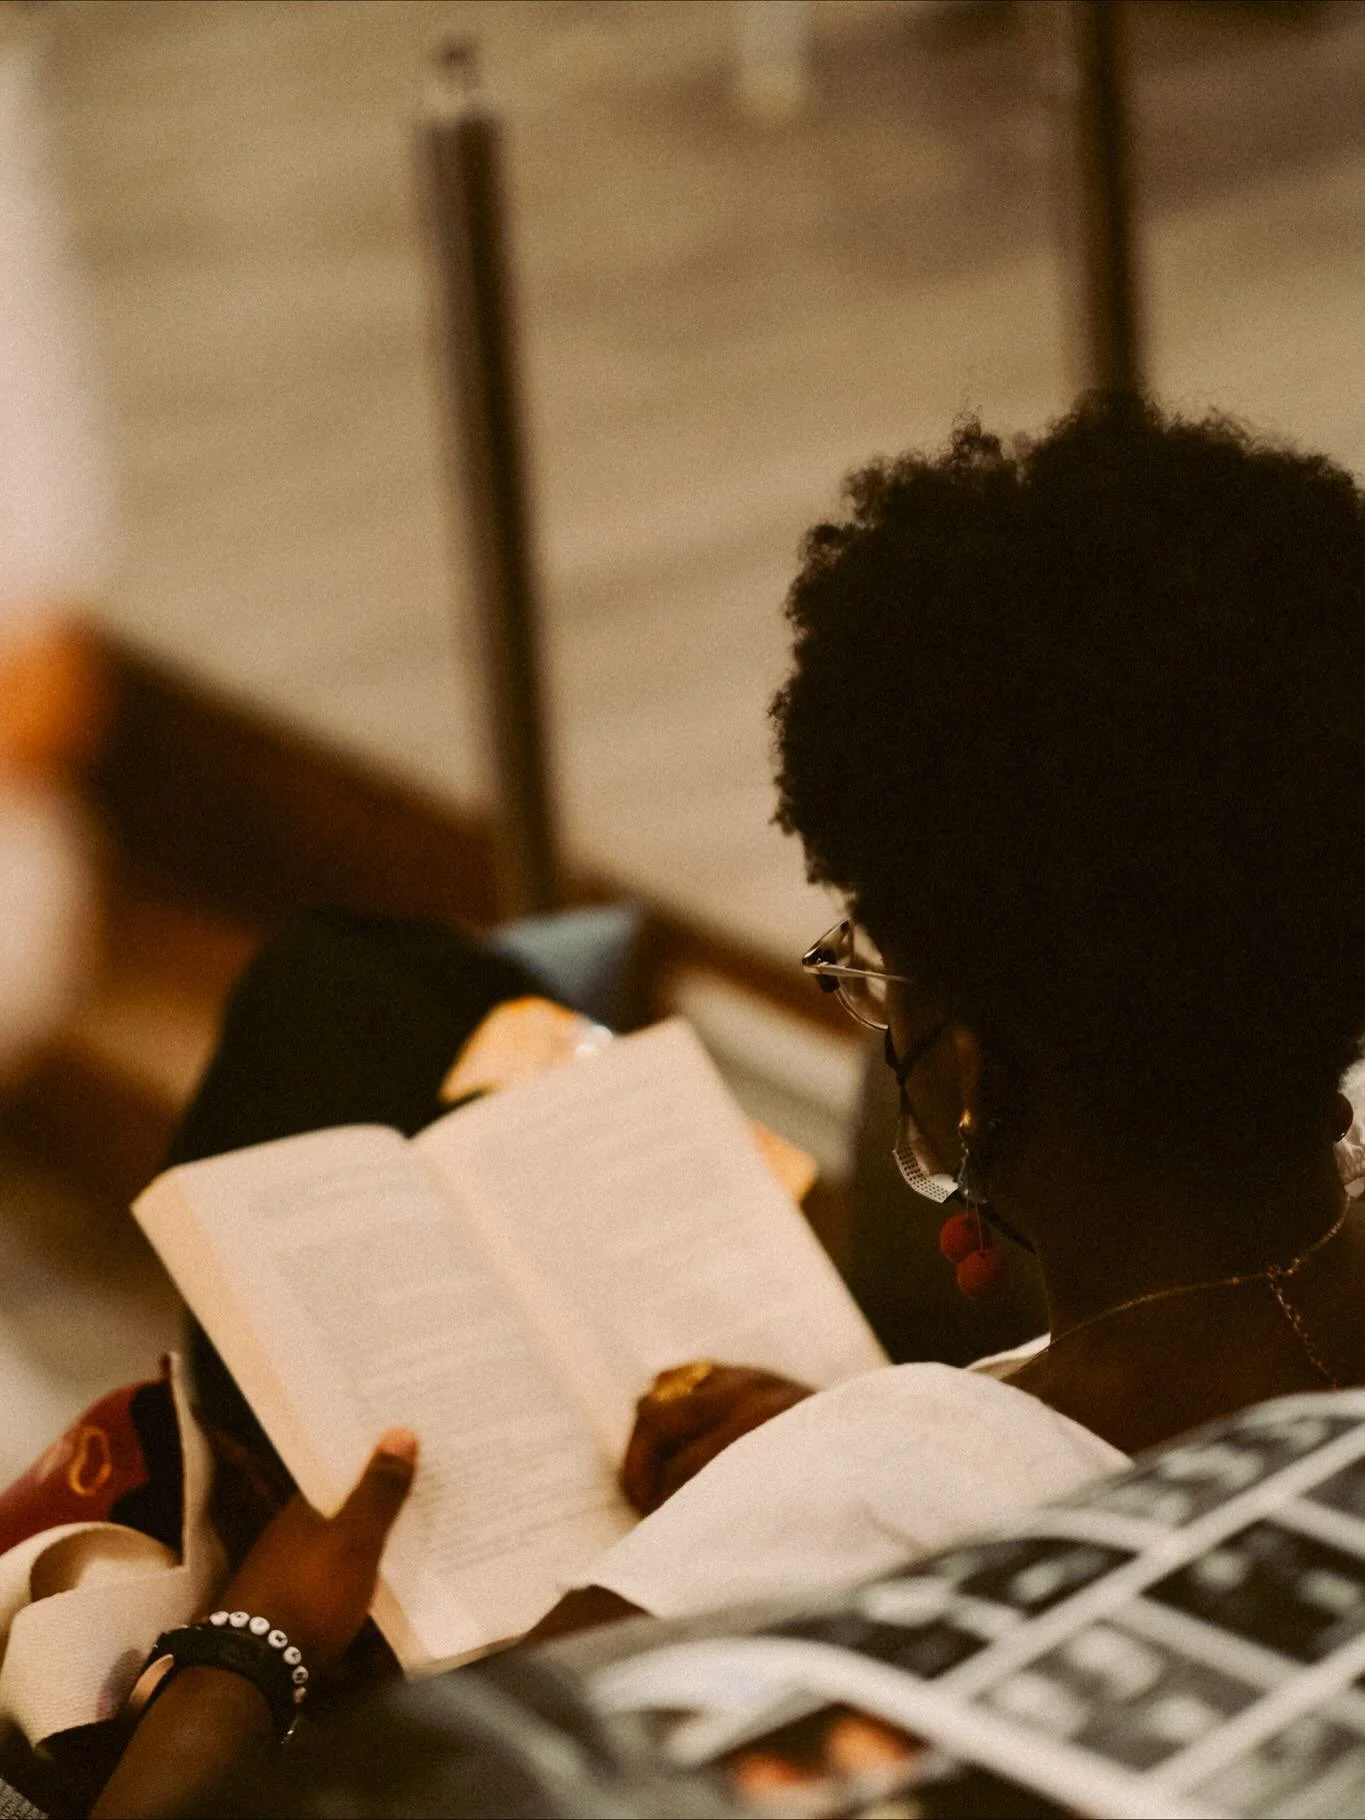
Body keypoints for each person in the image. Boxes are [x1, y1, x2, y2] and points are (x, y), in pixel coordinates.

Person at [87, 393, 1365, 1805]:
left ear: (972, 1072)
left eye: (878, 977)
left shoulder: (844, 1491)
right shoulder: (894, 1452)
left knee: (335, 1003)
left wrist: (254, 1640)